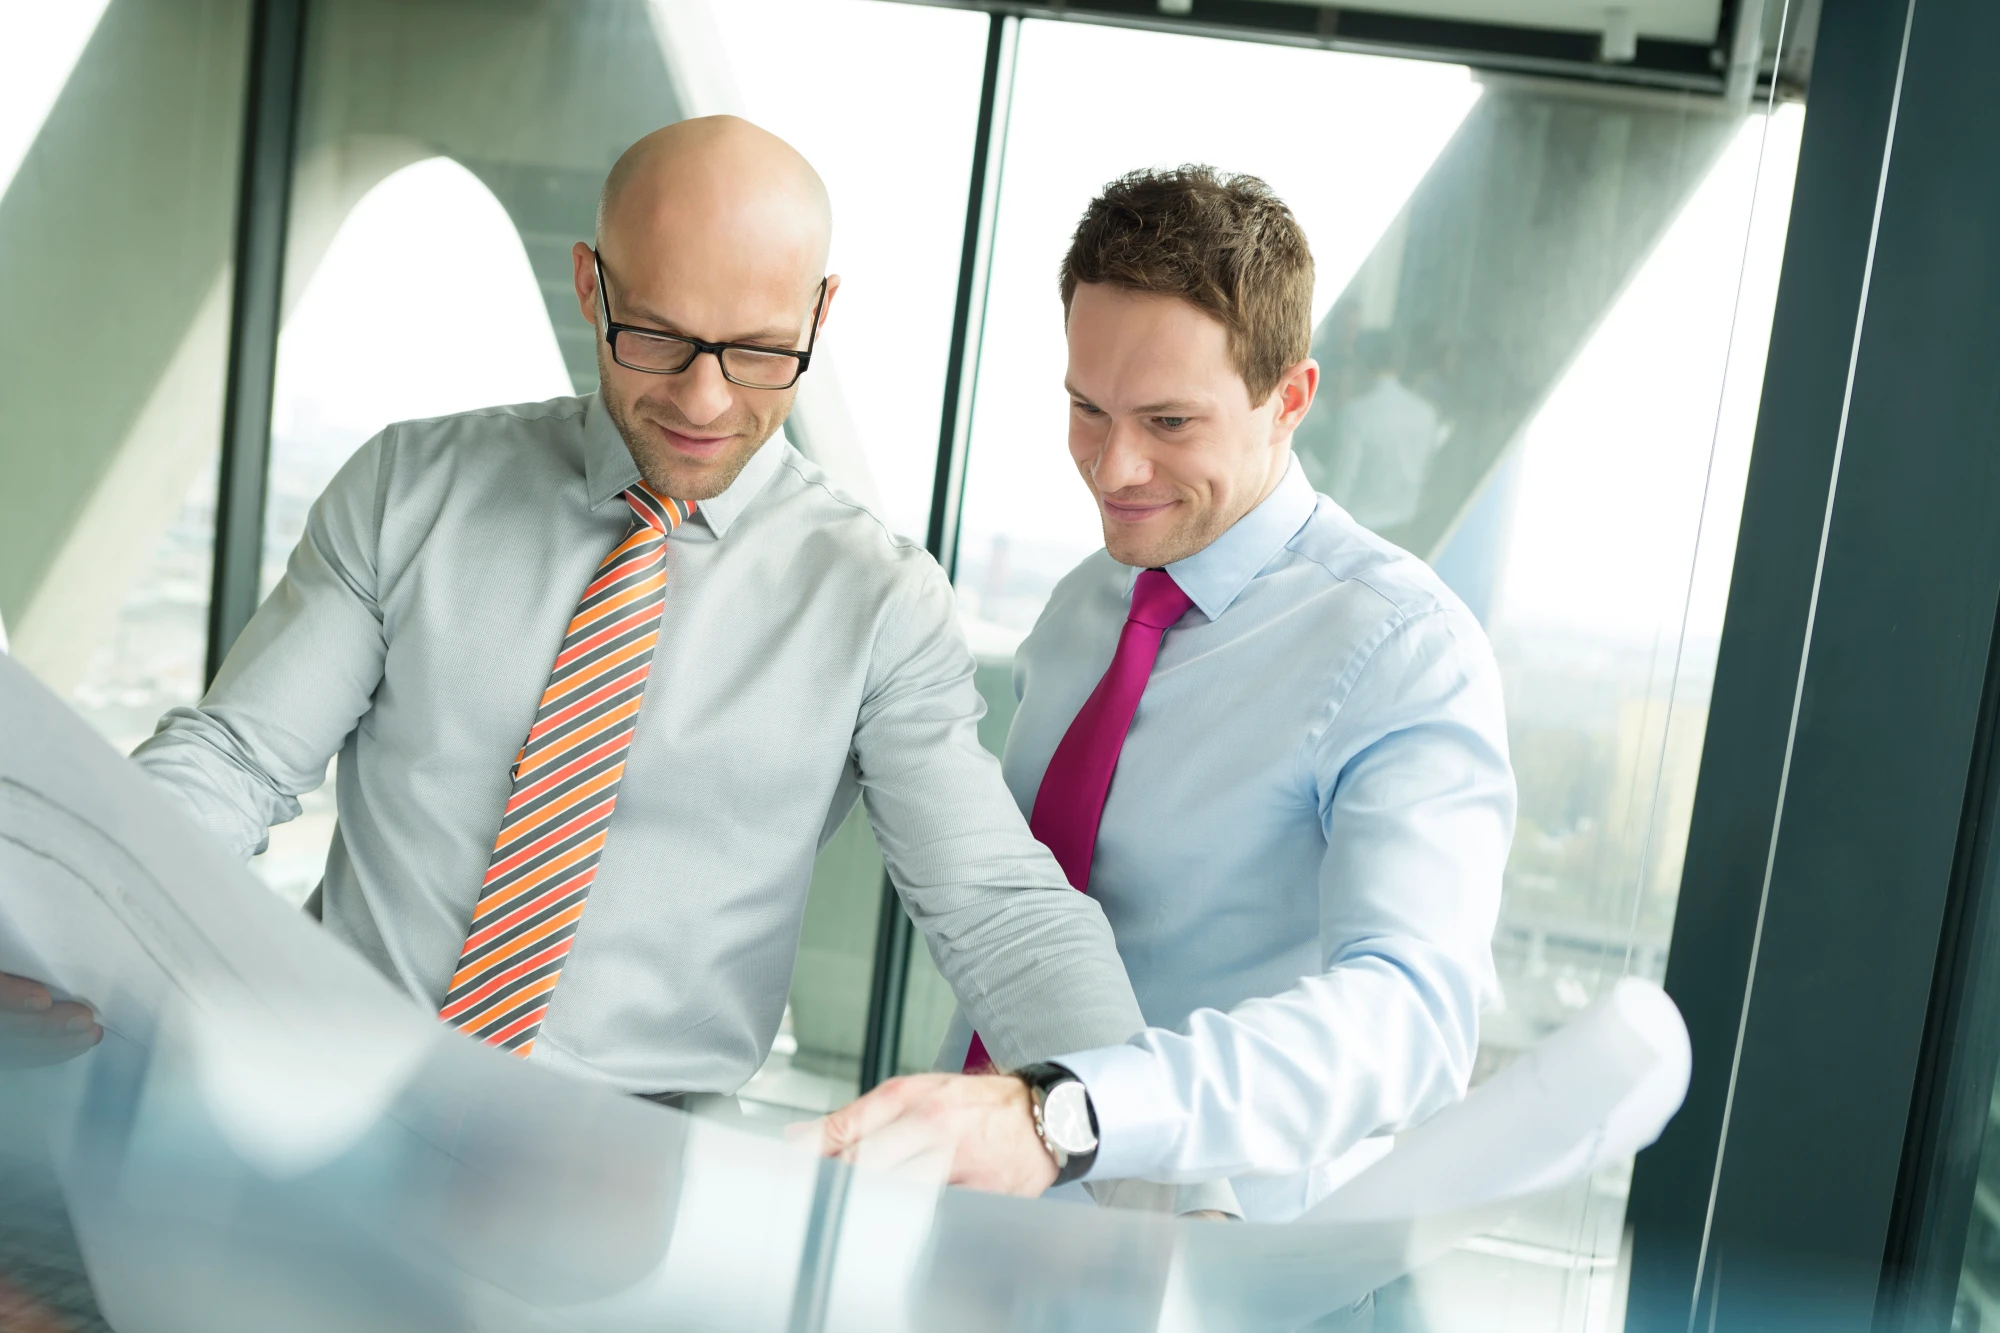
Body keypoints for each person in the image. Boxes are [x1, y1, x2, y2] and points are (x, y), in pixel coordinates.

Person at [0, 119, 1145, 1191]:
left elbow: (995, 907)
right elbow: (234, 761)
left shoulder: (877, 603)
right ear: (591, 285)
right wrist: (53, 927)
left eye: (758, 351)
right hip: (312, 1097)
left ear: (819, 312)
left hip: (628, 1173)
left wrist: (1142, 1155)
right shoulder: (411, 489)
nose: (703, 398)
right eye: (658, 338)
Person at [815, 167, 1515, 1226]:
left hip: (1208, 1257)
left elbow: (1413, 1021)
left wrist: (1074, 1114)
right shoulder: (1083, 605)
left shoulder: (1401, 649)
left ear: (1289, 399)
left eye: (1170, 421)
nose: (1114, 467)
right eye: (1086, 410)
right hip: (977, 1226)